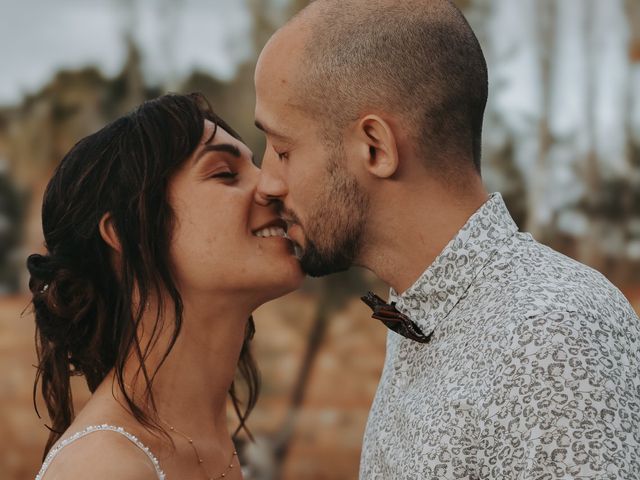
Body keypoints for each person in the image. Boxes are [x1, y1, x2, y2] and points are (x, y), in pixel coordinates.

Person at [253, 0, 640, 478]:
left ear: (375, 148)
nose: (267, 182)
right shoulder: (421, 319)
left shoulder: (550, 335)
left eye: (282, 149)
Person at [27, 93, 302, 479]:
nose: (273, 186)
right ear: (128, 232)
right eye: (225, 173)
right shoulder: (105, 467)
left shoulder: (209, 444)